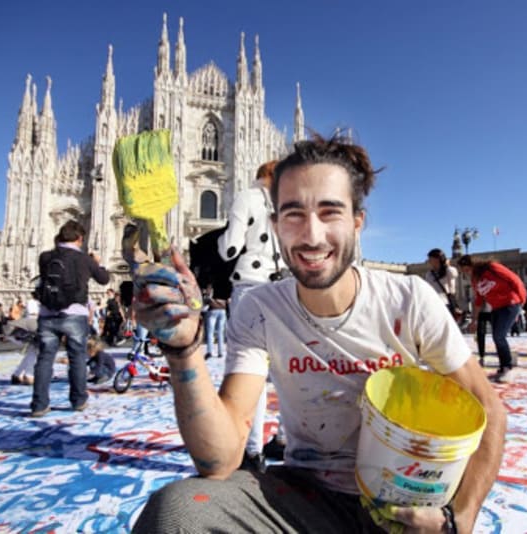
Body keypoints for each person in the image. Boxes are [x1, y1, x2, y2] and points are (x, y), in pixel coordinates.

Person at [130, 134, 506, 533]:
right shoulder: (261, 309)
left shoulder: (408, 300)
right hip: (308, 498)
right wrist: (184, 350)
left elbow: (489, 410)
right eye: (293, 214)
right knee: (176, 511)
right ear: (275, 225)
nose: (311, 235)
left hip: (404, 504)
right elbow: (220, 461)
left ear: (357, 222)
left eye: (330, 213)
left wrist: (457, 521)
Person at [217, 160, 288, 468]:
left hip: (250, 286)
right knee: (283, 369)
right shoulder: (286, 204)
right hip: (282, 288)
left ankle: (252, 449)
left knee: (250, 367)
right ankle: (284, 440)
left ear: (260, 176)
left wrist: (218, 242)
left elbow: (230, 249)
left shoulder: (247, 197)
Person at [30, 220, 110, 417]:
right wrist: (97, 263)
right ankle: (78, 400)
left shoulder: (45, 257)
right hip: (74, 313)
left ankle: (39, 405)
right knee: (77, 358)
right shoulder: (84, 259)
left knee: (44, 359)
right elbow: (104, 279)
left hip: (48, 313)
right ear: (80, 238)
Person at [456, 254, 527, 383]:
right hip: (496, 308)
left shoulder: (492, 268)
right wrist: (474, 320)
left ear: (473, 265)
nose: (466, 273)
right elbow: (479, 300)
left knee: (499, 336)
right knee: (496, 337)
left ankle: (508, 367)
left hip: (510, 303)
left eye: (467, 269)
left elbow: (515, 280)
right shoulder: (475, 280)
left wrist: (521, 301)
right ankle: (503, 366)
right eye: (463, 271)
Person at [425, 248, 461, 322]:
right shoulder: (429, 274)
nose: (428, 261)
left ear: (437, 259)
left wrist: (447, 265)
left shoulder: (449, 270)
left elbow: (454, 275)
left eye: (430, 258)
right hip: (433, 302)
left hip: (446, 302)